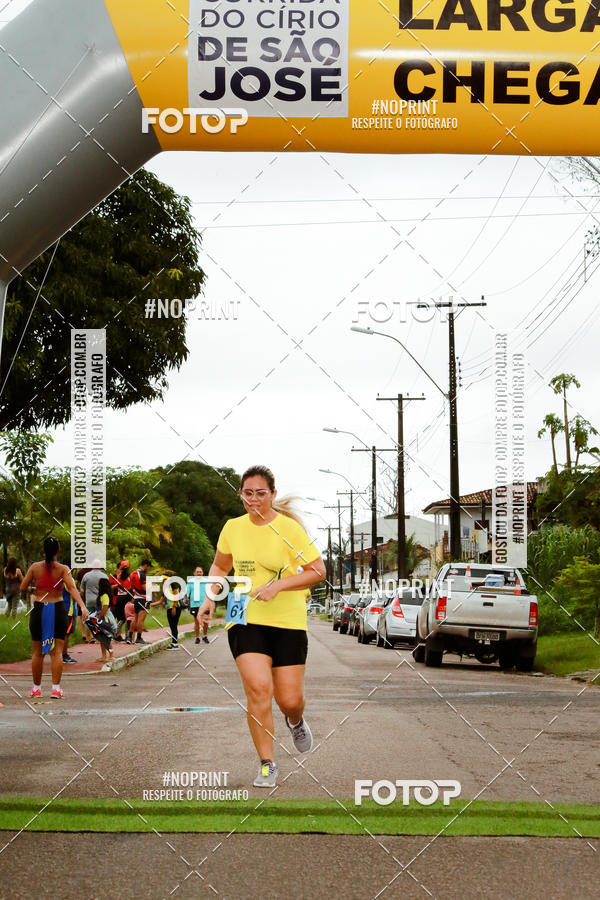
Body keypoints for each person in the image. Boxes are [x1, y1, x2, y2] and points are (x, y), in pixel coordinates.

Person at [198, 465, 325, 788]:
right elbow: (220, 566)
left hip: (287, 621)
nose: (253, 499)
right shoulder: (232, 528)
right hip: (244, 617)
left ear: (273, 494)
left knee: (289, 699)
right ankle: (267, 763)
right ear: (240, 494)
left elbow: (317, 570)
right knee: (257, 688)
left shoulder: (289, 529)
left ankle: (294, 719)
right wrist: (210, 597)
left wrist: (277, 586)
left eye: (260, 493)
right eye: (248, 493)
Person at [19, 537, 88, 699]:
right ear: (58, 550)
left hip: (39, 609)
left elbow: (23, 587)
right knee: (57, 651)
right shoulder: (63, 569)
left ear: (43, 550)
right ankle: (56, 689)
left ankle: (36, 689)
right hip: (57, 609)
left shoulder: (35, 567)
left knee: (37, 652)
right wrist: (82, 606)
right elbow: (72, 588)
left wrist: (36, 590)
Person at [80, 561, 108, 643]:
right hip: (100, 601)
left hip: (89, 600)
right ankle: (98, 638)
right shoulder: (104, 576)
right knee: (99, 618)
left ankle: (90, 637)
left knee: (89, 619)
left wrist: (83, 598)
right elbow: (107, 589)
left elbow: (82, 590)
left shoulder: (86, 575)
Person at [187, 565, 210, 644]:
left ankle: (205, 636)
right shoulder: (190, 582)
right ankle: (197, 638)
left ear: (202, 573)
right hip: (194, 605)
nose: (199, 573)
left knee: (205, 622)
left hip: (205, 605)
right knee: (196, 622)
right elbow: (187, 593)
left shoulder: (206, 581)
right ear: (194, 573)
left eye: (200, 572)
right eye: (197, 572)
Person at [130, 559, 151, 644]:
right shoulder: (142, 574)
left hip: (136, 598)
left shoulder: (133, 573)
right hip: (143, 598)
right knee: (140, 620)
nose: (148, 569)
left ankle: (130, 637)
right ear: (145, 565)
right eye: (149, 567)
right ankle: (139, 638)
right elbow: (144, 588)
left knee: (135, 618)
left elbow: (131, 586)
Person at [111, 560, 131, 641]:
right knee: (127, 618)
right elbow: (131, 587)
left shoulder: (118, 576)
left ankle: (115, 633)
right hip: (127, 597)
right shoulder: (130, 577)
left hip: (119, 598)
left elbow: (118, 585)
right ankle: (127, 636)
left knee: (121, 618)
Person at [164, 580, 182, 649]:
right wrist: (151, 604)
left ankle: (175, 644)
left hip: (175, 608)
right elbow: (160, 601)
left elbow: (176, 596)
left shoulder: (173, 585)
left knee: (174, 625)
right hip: (169, 609)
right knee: (172, 626)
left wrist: (174, 607)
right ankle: (174, 643)